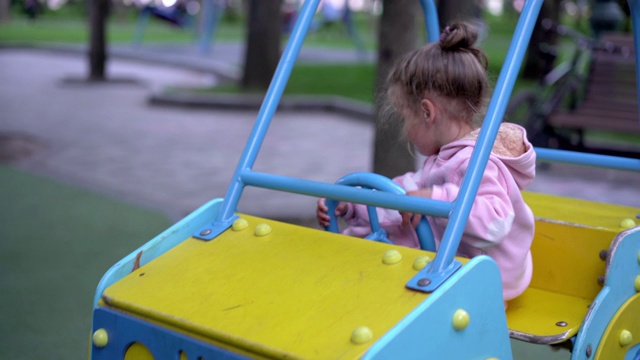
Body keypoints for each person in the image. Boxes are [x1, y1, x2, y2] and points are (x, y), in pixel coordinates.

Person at [316, 21, 536, 303]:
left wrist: (433, 199)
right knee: (378, 233)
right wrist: (353, 204)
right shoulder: (445, 156)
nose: (405, 130)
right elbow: (405, 191)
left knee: (391, 247)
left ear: (427, 112)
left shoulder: (477, 162)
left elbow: (495, 221)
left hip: (488, 283)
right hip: (456, 265)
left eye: (406, 118)